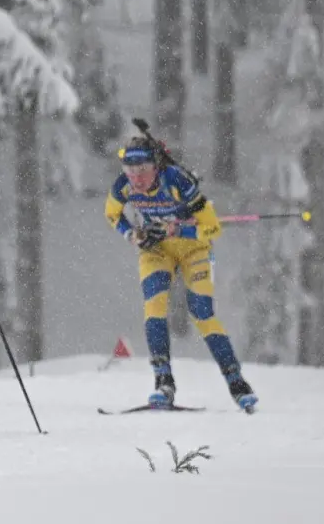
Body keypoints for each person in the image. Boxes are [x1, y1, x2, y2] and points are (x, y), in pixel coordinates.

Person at [104, 132, 257, 412]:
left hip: (193, 249)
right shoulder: (123, 186)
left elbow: (213, 228)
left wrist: (180, 229)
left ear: (156, 167)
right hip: (157, 250)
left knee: (202, 313)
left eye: (143, 171)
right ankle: (163, 382)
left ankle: (236, 382)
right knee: (154, 307)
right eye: (129, 171)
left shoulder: (176, 181)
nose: (136, 178)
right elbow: (112, 214)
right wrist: (132, 235)